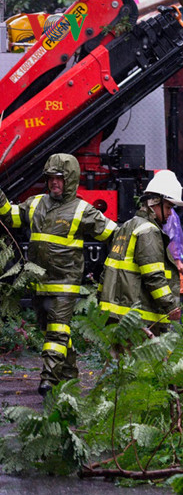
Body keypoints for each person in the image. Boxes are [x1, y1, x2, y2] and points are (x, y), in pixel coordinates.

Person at [0, 153, 118, 396]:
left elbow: (114, 234)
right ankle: (69, 374)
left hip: (65, 285)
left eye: (60, 178)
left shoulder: (82, 210)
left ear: (71, 180)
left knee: (57, 330)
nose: (54, 182)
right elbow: (9, 216)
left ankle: (48, 379)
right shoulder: (34, 204)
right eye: (51, 178)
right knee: (53, 332)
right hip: (39, 283)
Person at [99, 170, 183, 339]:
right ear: (154, 203)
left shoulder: (128, 226)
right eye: (167, 207)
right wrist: (171, 306)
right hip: (139, 317)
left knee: (122, 362)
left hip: (118, 314)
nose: (169, 213)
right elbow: (153, 276)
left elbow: (107, 269)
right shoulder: (148, 232)